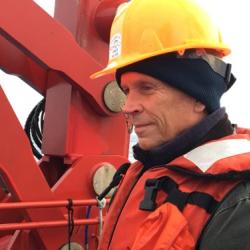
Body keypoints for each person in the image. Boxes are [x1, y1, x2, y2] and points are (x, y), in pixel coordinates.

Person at [91, 0, 250, 249]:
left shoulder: (238, 201)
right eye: (127, 90)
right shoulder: (147, 168)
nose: (128, 106)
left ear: (199, 96)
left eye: (146, 88)